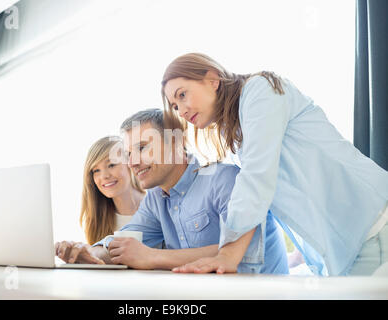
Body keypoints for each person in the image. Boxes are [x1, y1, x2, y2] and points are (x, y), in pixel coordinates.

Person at [161, 52, 388, 276]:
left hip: (371, 223)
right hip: (353, 240)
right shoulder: (237, 130)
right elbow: (283, 192)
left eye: (182, 95)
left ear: (212, 79)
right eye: (174, 106)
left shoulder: (261, 90)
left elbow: (256, 179)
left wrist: (227, 255)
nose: (181, 111)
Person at [86, 108, 289, 274]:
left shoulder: (224, 179)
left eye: (142, 148)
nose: (132, 162)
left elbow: (246, 250)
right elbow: (124, 244)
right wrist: (89, 253)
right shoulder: (156, 199)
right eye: (129, 154)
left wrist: (152, 257)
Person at [55, 136, 145, 264]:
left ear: (130, 163)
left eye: (112, 165)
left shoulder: (157, 205)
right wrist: (84, 254)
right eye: (96, 170)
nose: (104, 176)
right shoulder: (99, 217)